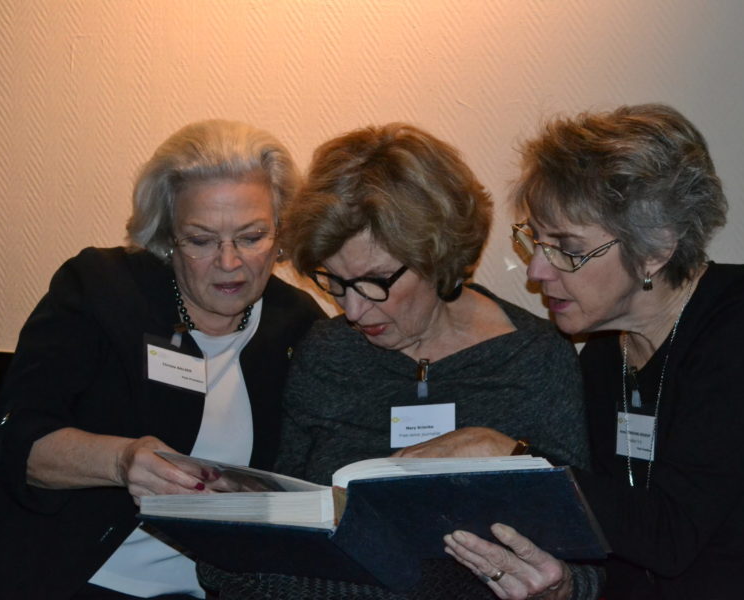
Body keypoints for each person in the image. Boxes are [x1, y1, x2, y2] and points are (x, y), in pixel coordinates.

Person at [442, 103, 744, 599]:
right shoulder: (605, 353)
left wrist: (514, 458)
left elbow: (670, 536)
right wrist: (565, 588)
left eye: (568, 249)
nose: (538, 271)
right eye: (535, 242)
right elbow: (623, 544)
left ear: (655, 248)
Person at [197, 123, 603, 599]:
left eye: (375, 282)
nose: (353, 311)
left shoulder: (533, 359)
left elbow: (586, 564)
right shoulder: (328, 352)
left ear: (438, 256)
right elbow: (291, 519)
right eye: (334, 282)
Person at [0, 120, 324, 599]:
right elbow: (16, 439)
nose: (229, 263)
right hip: (76, 576)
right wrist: (121, 461)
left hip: (220, 587)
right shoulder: (101, 289)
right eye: (200, 240)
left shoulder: (295, 322)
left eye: (251, 237)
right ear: (166, 235)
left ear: (281, 233)